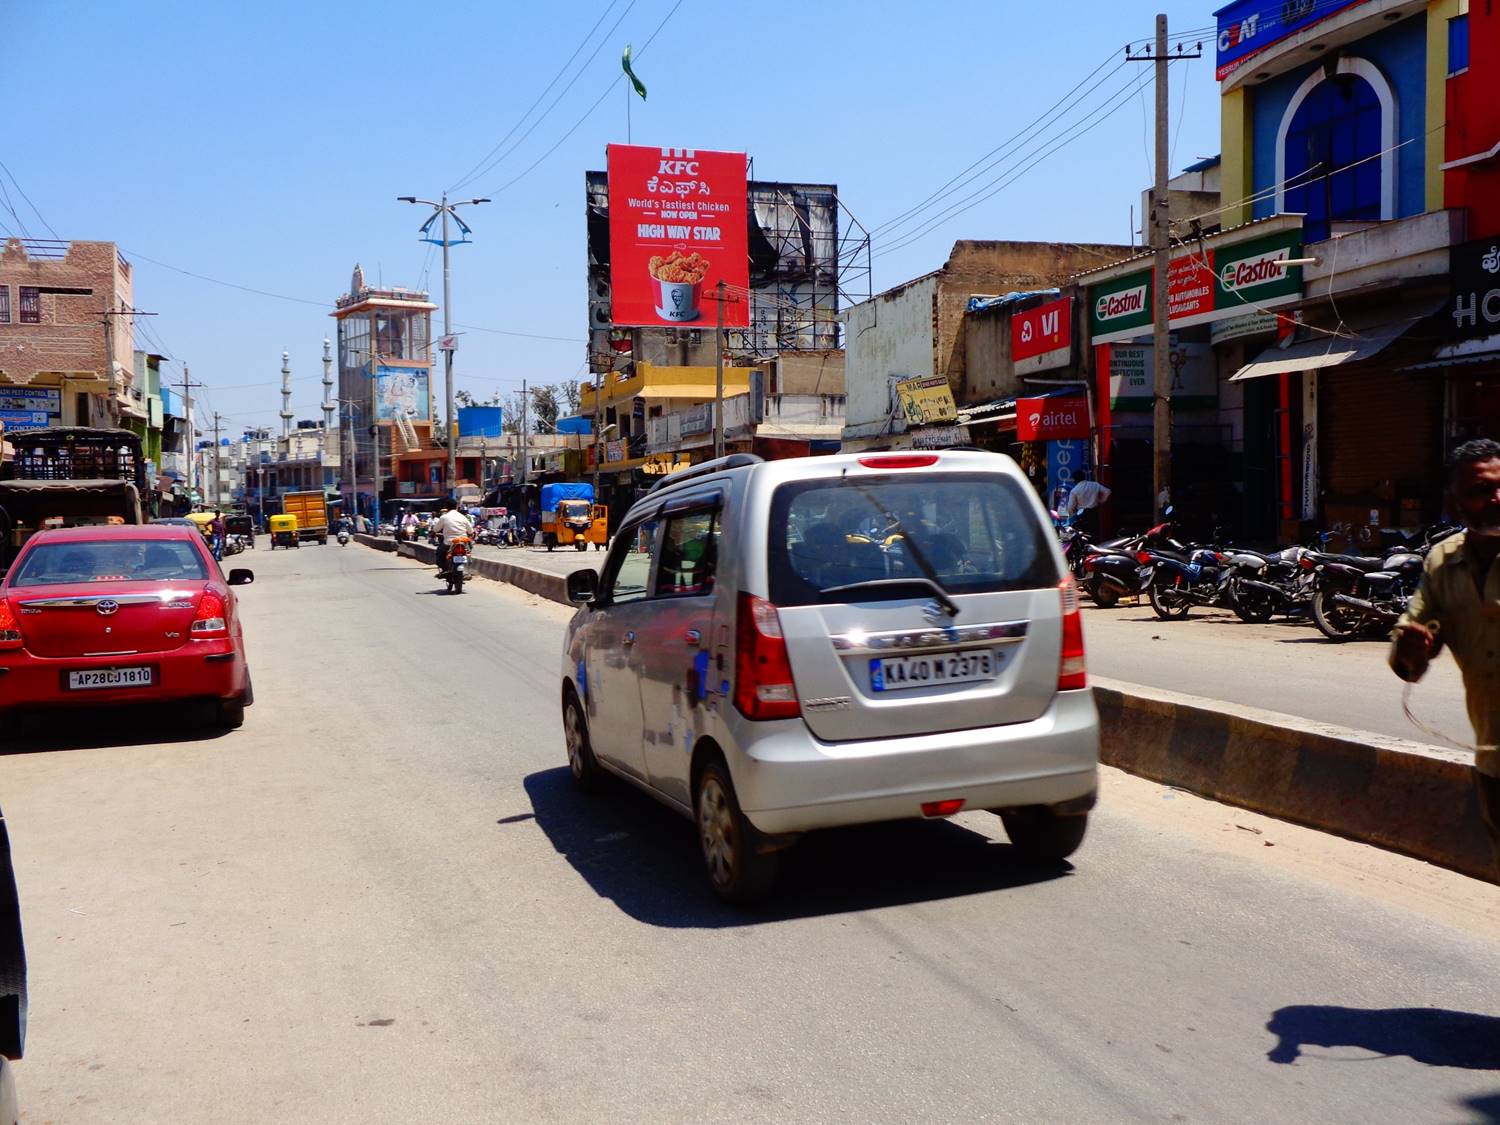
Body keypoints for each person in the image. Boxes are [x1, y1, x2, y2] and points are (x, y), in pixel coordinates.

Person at [1390, 438, 1500, 869]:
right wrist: (1413, 650)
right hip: (1494, 766)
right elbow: (1407, 661)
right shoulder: (1442, 562)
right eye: (1480, 490)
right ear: (1454, 503)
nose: (1497, 498)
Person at [430, 499, 475, 575]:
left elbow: (436, 529)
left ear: (446, 507)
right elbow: (471, 531)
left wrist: (433, 533)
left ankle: (444, 570)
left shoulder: (444, 517)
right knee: (468, 552)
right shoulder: (462, 517)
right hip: (462, 542)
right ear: (457, 507)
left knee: (439, 553)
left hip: (448, 542)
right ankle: (467, 570)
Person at [1062, 472, 1112, 537]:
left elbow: (1071, 507)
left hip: (1083, 515)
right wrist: (1100, 501)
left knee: (1084, 535)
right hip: (1094, 513)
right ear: (1084, 477)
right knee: (1095, 533)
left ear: (1075, 480)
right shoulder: (1094, 485)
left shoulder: (1075, 490)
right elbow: (1108, 492)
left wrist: (1070, 514)